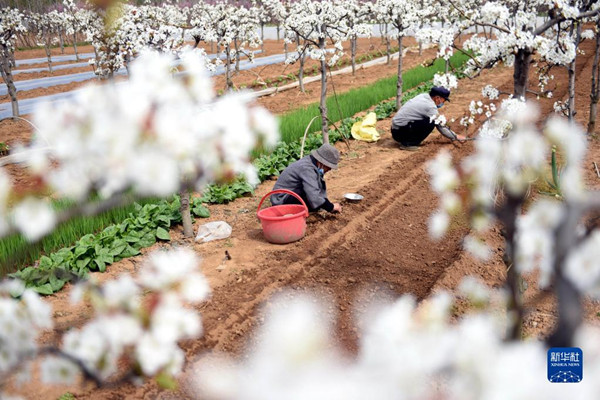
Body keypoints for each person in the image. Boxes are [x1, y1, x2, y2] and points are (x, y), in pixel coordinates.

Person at [271, 143, 342, 213]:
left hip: (290, 194)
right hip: (281, 200)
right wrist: (331, 207)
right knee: (312, 199)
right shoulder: (307, 168)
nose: (329, 169)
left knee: (316, 203)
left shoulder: (311, 162)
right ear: (322, 162)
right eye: (329, 166)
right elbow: (313, 195)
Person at [391, 86, 466, 150]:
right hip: (400, 133)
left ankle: (407, 140)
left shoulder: (423, 96)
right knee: (432, 121)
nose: (443, 102)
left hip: (395, 129)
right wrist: (455, 137)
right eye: (444, 100)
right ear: (437, 98)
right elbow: (440, 126)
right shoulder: (430, 107)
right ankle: (408, 144)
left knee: (430, 119)